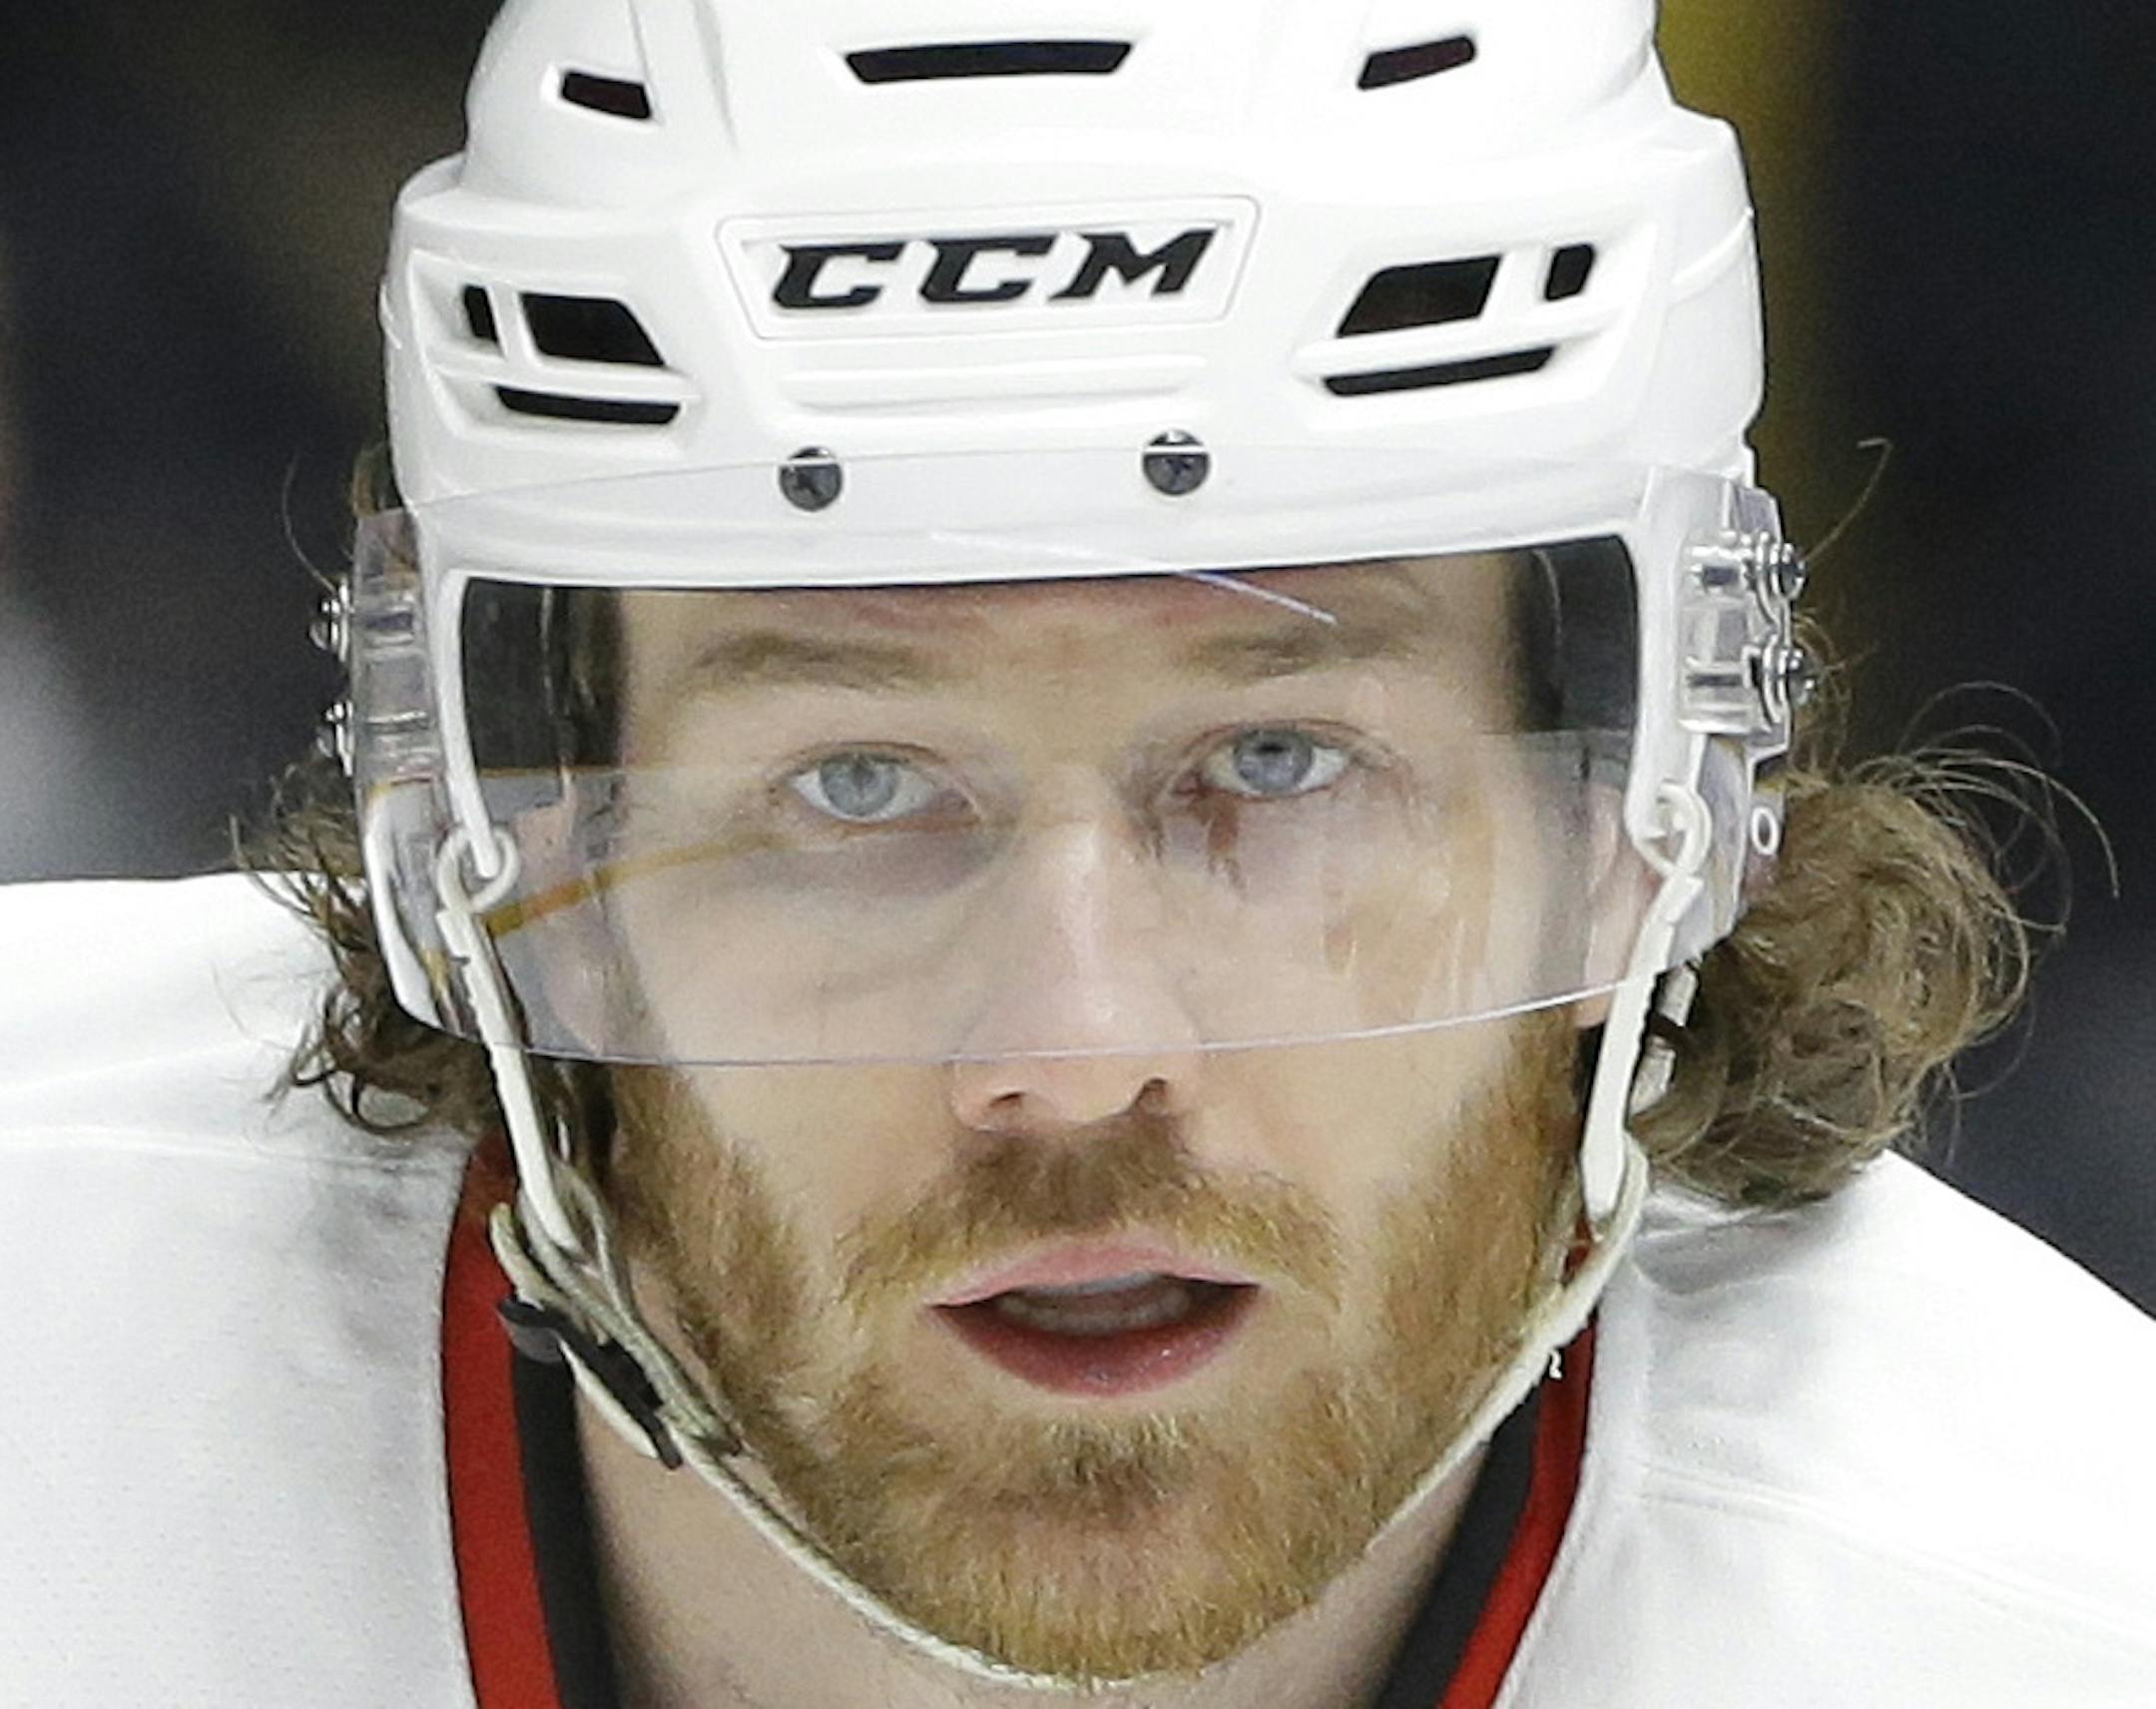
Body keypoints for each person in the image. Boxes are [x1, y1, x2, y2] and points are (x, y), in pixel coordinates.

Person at [4, 2, 2151, 1705]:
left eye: (1286, 759)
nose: (1075, 1043)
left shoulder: (2052, 1619)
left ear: (1644, 839)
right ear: (492, 854)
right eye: (854, 785)